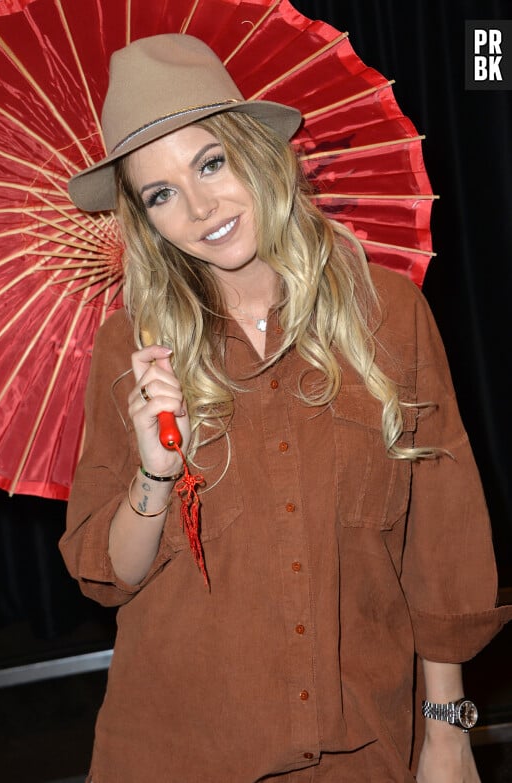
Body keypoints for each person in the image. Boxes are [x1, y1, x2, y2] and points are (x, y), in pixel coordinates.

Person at [60, 34, 511, 783]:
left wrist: (447, 730)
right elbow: (112, 575)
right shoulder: (132, 353)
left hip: (363, 747)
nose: (199, 207)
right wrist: (153, 470)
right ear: (143, 219)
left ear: (258, 154)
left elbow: (440, 542)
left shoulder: (388, 317)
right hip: (178, 750)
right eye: (161, 193)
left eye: (210, 163)